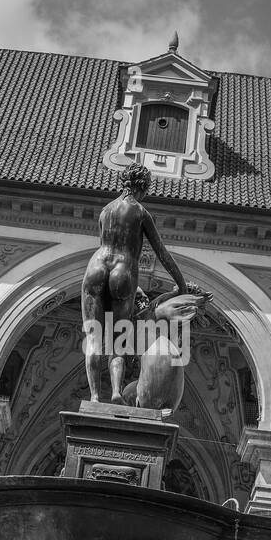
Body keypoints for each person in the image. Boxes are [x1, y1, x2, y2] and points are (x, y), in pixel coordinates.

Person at [82, 163, 187, 403]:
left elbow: (104, 240)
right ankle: (117, 392)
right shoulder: (140, 212)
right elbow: (161, 252)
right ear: (144, 186)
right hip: (124, 269)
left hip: (96, 266)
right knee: (118, 341)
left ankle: (95, 397)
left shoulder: (106, 210)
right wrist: (180, 284)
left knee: (93, 337)